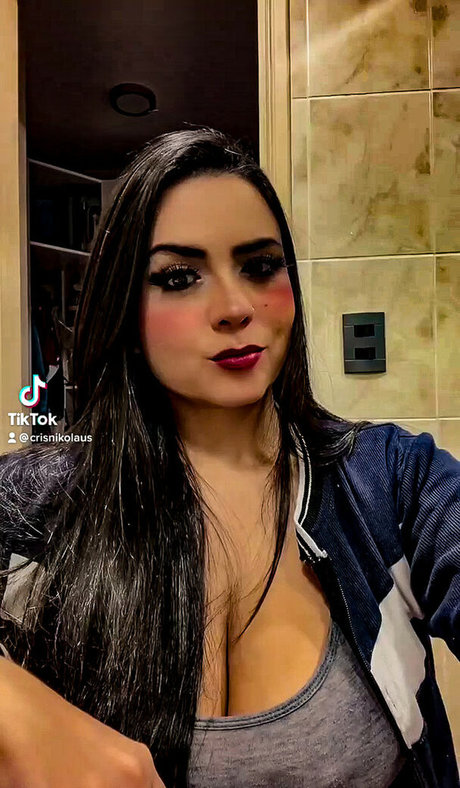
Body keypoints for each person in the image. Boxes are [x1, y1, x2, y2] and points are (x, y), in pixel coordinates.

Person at [0, 127, 458, 788]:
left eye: (260, 265)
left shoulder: (391, 484)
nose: (237, 308)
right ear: (125, 310)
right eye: (179, 277)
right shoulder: (37, 505)